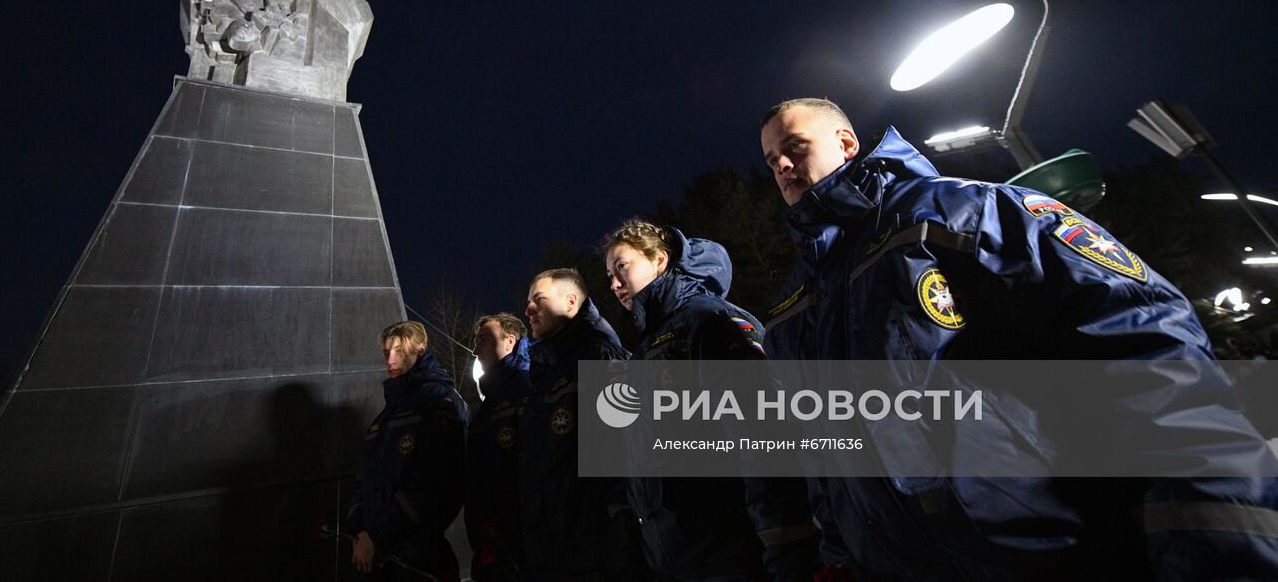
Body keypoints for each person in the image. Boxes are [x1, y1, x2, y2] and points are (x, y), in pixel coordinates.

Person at [757, 97, 1278, 579]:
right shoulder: (795, 302)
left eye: (794, 147)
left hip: (1052, 557)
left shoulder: (964, 212)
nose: (781, 165)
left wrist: (1217, 547)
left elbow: (1148, 348)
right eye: (771, 158)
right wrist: (842, 557)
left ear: (847, 143)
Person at [604, 219, 821, 581]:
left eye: (622, 266)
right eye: (609, 274)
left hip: (729, 555)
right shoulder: (643, 351)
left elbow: (766, 437)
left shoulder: (710, 320)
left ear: (659, 259)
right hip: (675, 561)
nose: (613, 283)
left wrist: (785, 544)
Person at [519, 267, 641, 581]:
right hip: (552, 555)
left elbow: (620, 461)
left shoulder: (599, 357)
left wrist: (621, 543)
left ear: (571, 302)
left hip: (593, 556)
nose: (528, 309)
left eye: (539, 300)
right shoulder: (545, 374)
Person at [347, 321, 469, 580]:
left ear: (420, 351)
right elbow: (365, 476)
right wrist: (360, 530)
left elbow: (433, 482)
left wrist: (378, 535)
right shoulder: (387, 413)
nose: (390, 359)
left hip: (417, 556)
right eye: (386, 352)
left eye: (400, 351)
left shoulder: (439, 400)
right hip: (378, 551)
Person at [465, 312, 531, 582]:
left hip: (522, 544)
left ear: (510, 341)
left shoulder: (529, 390)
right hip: (488, 544)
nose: (476, 348)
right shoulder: (486, 406)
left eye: (485, 339)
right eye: (476, 340)